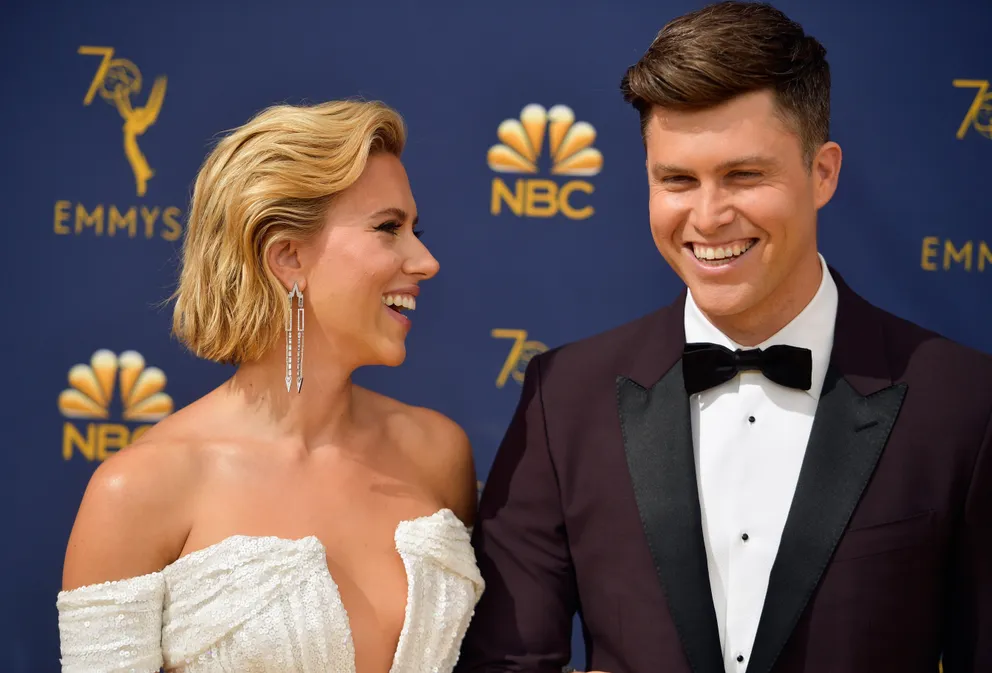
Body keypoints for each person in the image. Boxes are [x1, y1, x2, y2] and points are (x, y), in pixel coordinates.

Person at [456, 2, 992, 672]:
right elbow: (505, 661)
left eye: (744, 176)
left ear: (822, 172)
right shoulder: (564, 399)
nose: (708, 217)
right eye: (677, 180)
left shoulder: (964, 404)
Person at [57, 99, 484, 672]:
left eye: (415, 228)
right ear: (287, 256)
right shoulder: (139, 489)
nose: (426, 260)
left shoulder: (438, 453)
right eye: (389, 228)